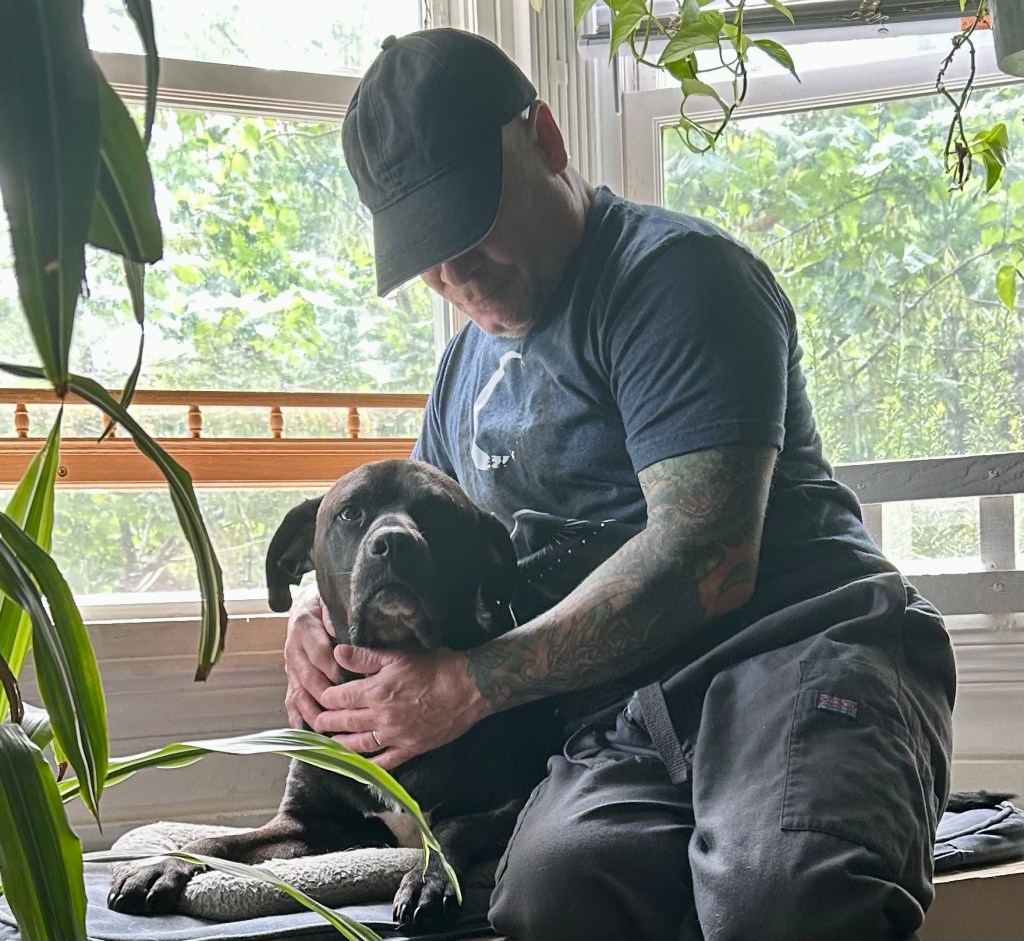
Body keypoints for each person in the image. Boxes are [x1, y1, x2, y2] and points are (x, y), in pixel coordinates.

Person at [283, 27, 956, 941]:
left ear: (546, 139)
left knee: (778, 890)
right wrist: (314, 619)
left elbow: (708, 560)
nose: (456, 273)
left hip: (797, 649)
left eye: (469, 223)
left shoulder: (676, 279)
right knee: (549, 889)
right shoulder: (460, 374)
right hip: (625, 712)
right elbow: (407, 531)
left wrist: (470, 684)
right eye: (425, 253)